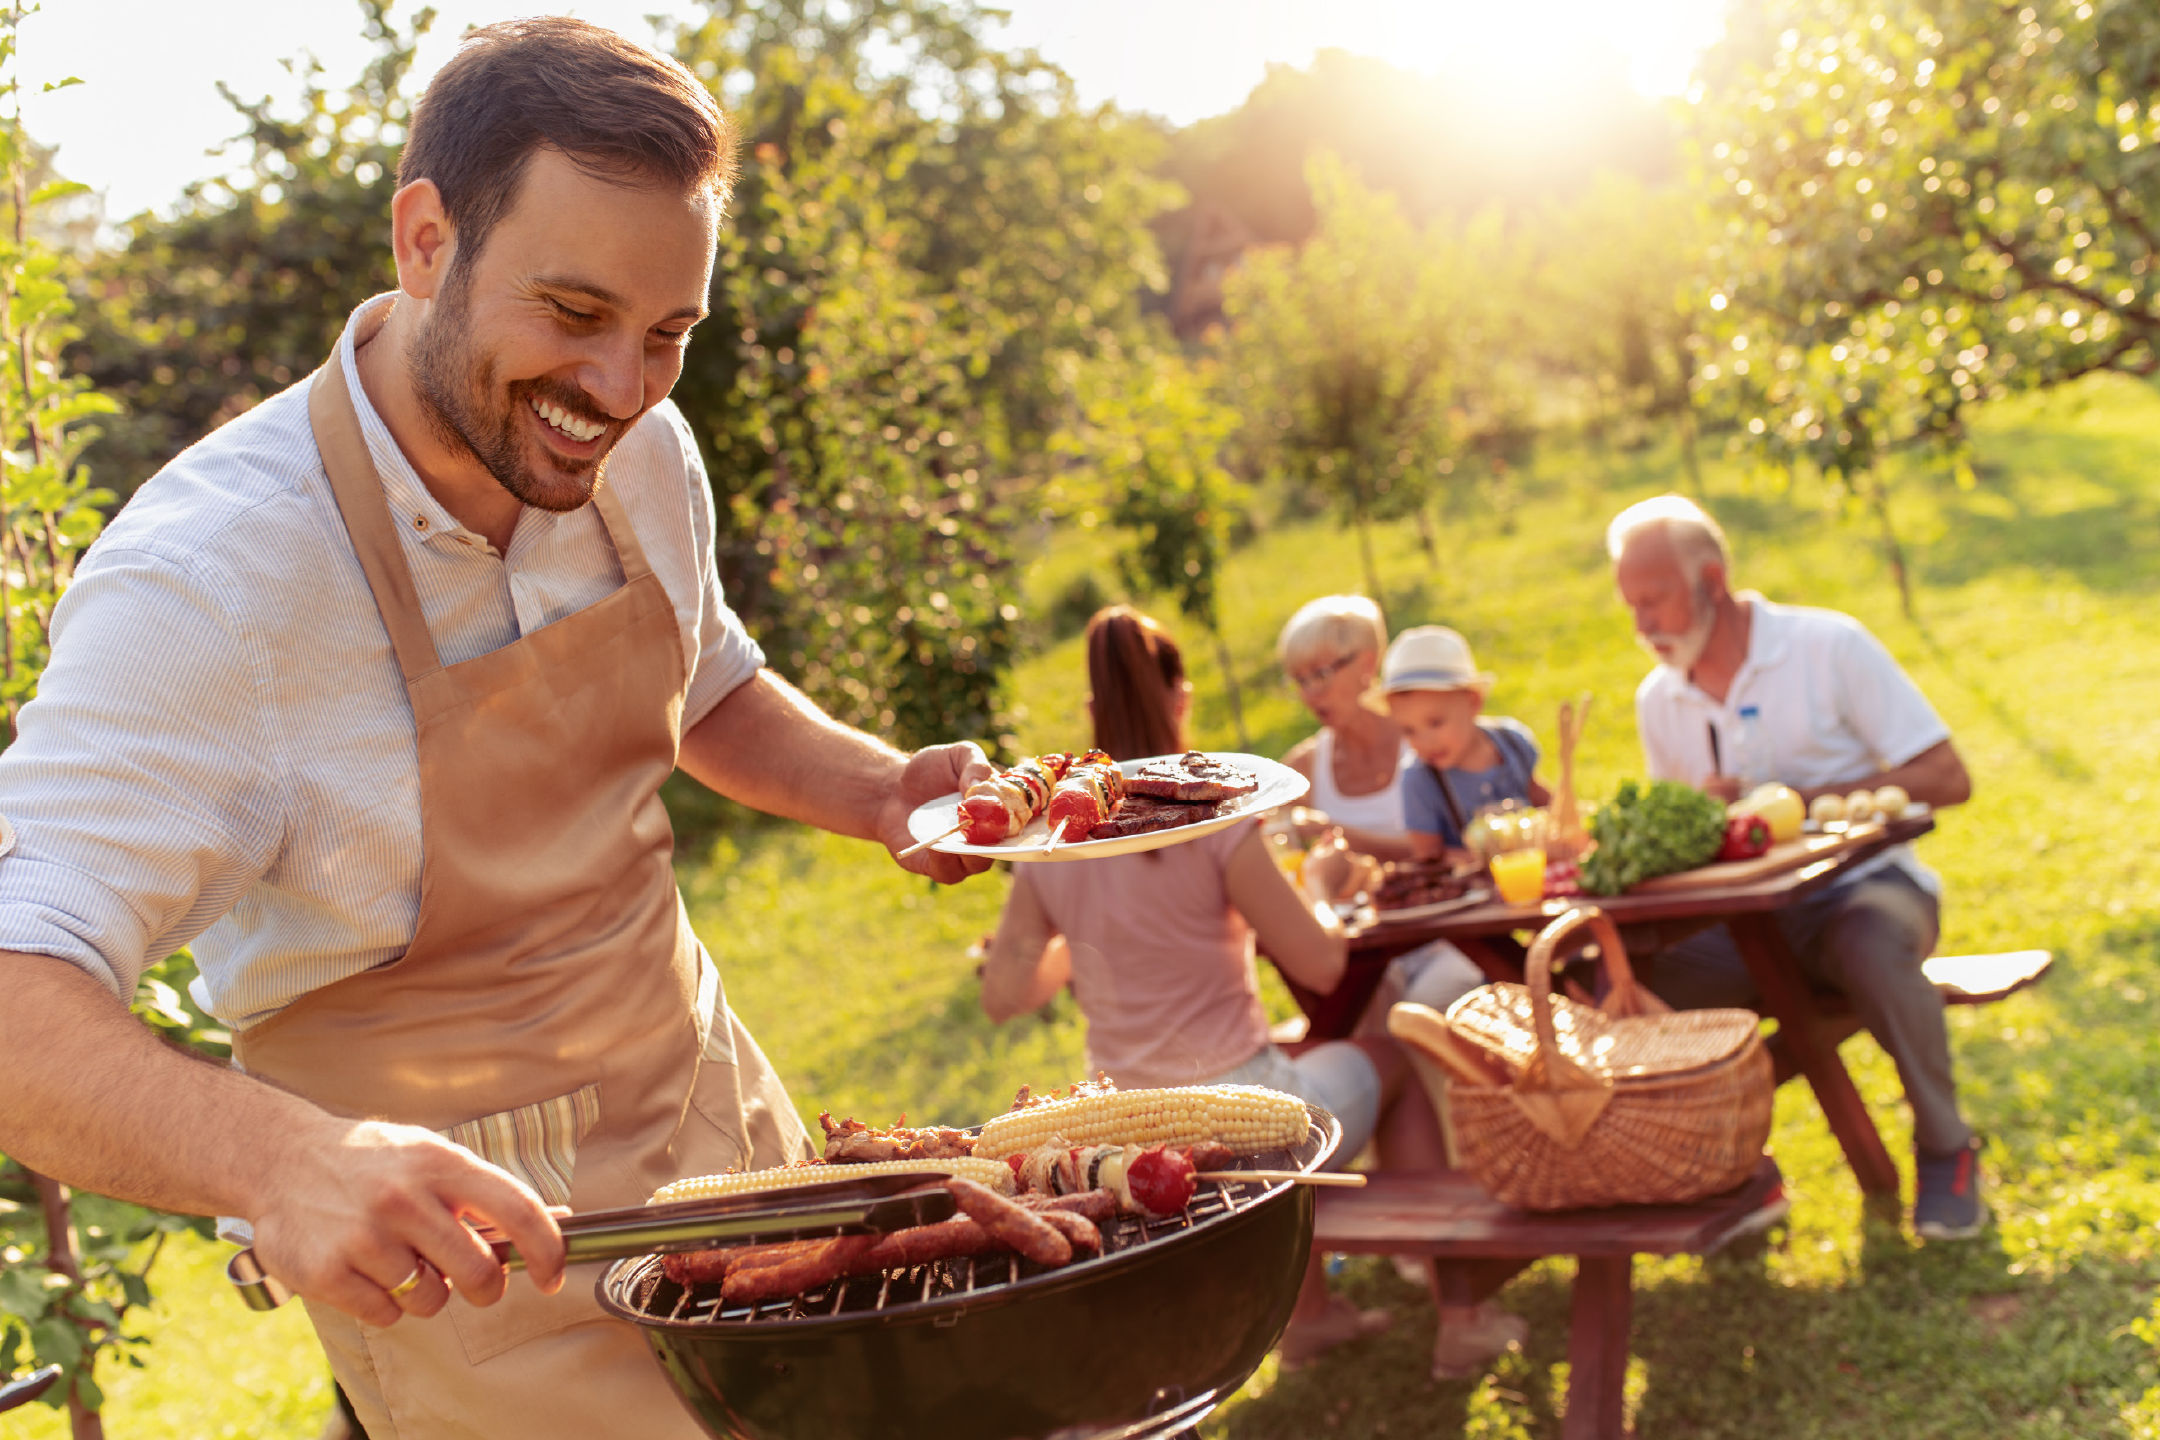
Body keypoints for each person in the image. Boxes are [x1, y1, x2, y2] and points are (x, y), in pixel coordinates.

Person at [0, 22, 994, 1439]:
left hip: (719, 1149)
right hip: (474, 1279)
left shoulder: (637, 448)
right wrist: (281, 1164)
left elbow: (702, 681)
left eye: (670, 334)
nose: (625, 389)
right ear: (423, 239)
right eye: (575, 314)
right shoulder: (208, 589)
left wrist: (884, 790)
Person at [981, 606, 1522, 1379]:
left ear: (1095, 712)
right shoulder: (1213, 821)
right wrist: (1330, 888)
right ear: (1178, 701)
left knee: (1315, 1051)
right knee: (1393, 1059)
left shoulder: (1052, 845)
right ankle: (1460, 1317)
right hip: (1241, 1109)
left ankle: (1311, 1319)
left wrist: (1086, 940)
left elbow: (1004, 994)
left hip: (1122, 1128)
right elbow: (1323, 963)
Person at [1607, 494, 1983, 1240]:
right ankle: (1739, 1174)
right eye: (1630, 605)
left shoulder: (1828, 646)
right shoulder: (1661, 699)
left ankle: (1948, 1149)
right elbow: (1687, 845)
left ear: (1712, 581)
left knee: (1868, 947)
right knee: (1631, 990)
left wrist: (1803, 800)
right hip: (1747, 923)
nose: (1642, 624)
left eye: (1654, 600)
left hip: (1868, 891)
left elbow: (1947, 776)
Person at [1386, 625, 1552, 868]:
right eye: (1408, 730)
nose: (1424, 741)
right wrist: (1491, 860)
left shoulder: (1511, 741)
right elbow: (1429, 856)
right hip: (1477, 897)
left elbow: (1542, 799)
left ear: (1473, 703)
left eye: (1435, 723)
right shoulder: (1419, 779)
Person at [1277, 595, 1417, 861]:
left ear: (1366, 664)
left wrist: (1332, 832)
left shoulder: (1422, 741)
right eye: (1299, 680)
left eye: (1320, 675)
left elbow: (1447, 850)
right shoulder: (1301, 771)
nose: (1309, 694)